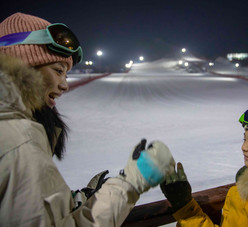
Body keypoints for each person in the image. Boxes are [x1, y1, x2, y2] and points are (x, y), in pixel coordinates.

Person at [0, 12, 176, 226]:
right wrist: (131, 183)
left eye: (66, 74)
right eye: (58, 71)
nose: (64, 85)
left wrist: (80, 200)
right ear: (21, 65)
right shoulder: (18, 142)